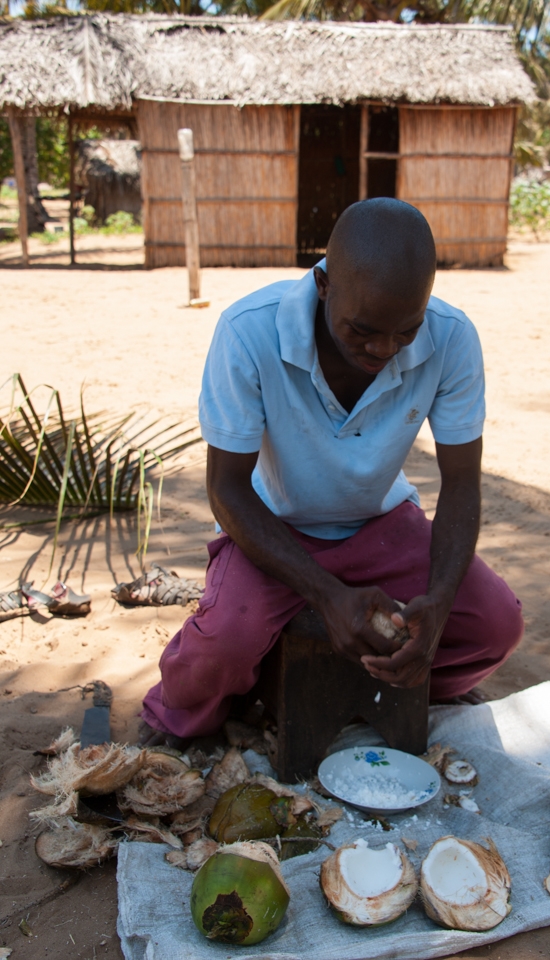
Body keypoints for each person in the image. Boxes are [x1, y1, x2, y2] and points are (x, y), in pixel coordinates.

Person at [139, 198, 523, 747]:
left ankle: (394, 685)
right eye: (363, 330)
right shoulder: (249, 332)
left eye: (405, 332)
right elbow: (226, 490)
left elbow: (462, 483)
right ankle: (207, 708)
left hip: (382, 523)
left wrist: (438, 603)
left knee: (494, 626)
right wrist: (325, 592)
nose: (384, 349)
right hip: (272, 529)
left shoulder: (452, 337)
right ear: (323, 284)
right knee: (220, 651)